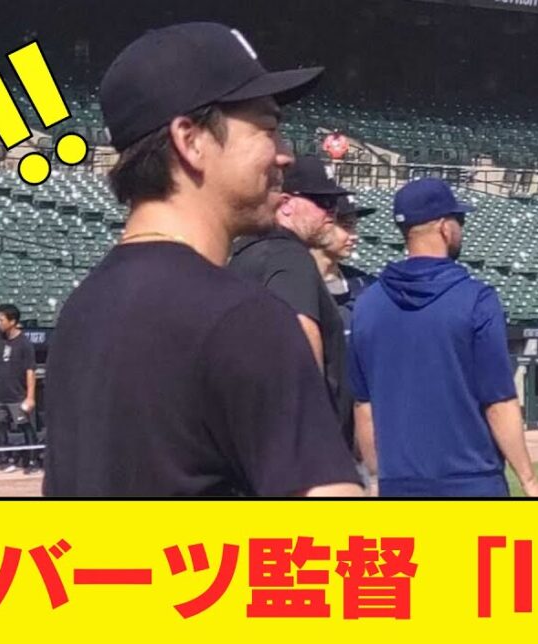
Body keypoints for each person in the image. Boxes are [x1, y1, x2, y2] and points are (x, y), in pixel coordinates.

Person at [42, 22, 362, 497]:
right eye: (268, 130)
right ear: (191, 140)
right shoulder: (246, 318)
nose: (284, 157)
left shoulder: (81, 309)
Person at [348, 178, 538, 497]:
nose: (461, 229)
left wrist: (378, 480)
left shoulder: (367, 304)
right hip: (471, 482)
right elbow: (498, 402)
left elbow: (365, 408)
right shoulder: (475, 298)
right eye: (460, 221)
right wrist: (529, 479)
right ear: (445, 228)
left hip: (399, 486)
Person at [229, 155, 351, 438]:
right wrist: (310, 446)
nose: (330, 213)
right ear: (285, 205)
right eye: (322, 203)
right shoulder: (289, 256)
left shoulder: (246, 253)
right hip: (301, 449)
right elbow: (300, 343)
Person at [312, 195, 378, 334]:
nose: (354, 236)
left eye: (354, 227)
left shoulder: (365, 285)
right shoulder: (292, 282)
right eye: (346, 226)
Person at [0, 304, 39, 474]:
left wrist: (30, 397)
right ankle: (4, 460)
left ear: (13, 321)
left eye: (1, 320)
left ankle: (33, 461)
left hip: (18, 395)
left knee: (26, 426)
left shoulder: (25, 343)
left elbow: (30, 371)